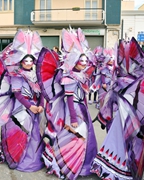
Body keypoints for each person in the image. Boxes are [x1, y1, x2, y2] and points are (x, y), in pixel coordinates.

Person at [37, 27, 98, 180]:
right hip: (74, 111)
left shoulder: (80, 75)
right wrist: (74, 119)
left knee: (85, 137)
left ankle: (84, 164)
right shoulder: (69, 77)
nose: (84, 63)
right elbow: (70, 99)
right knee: (75, 137)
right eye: (81, 60)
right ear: (74, 61)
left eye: (85, 60)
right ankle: (70, 165)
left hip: (82, 109)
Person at [91, 37, 144, 179]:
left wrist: (107, 120)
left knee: (116, 143)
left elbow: (110, 102)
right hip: (131, 121)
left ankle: (109, 169)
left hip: (118, 118)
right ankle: (121, 172)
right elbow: (139, 109)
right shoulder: (137, 82)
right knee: (127, 146)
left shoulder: (118, 79)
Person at [0, 29, 45, 172]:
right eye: (26, 60)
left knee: (36, 134)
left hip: (36, 109)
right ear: (20, 60)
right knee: (22, 133)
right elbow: (17, 95)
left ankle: (36, 159)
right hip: (22, 108)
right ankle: (19, 159)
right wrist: (30, 107)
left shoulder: (36, 73)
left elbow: (41, 92)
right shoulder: (16, 75)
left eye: (31, 60)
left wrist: (41, 105)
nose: (29, 63)